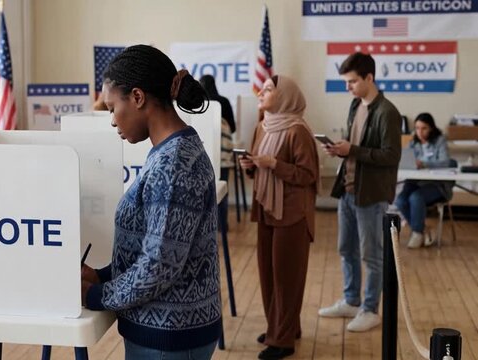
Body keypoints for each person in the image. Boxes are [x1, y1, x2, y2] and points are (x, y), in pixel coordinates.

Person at [80, 45, 221, 360]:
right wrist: (102, 275)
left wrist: (96, 295)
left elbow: (159, 266)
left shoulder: (173, 166)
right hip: (173, 331)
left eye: (113, 106)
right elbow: (164, 246)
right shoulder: (176, 149)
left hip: (168, 337)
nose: (112, 120)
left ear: (138, 98)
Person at [318, 52, 402, 332]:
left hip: (371, 195)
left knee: (372, 255)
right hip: (349, 190)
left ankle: (370, 309)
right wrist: (340, 149)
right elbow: (356, 147)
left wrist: (351, 150)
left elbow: (391, 156)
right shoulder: (356, 105)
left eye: (352, 81)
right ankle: (351, 300)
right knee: (346, 249)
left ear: (369, 77)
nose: (348, 87)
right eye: (346, 82)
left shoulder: (388, 112)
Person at [239, 75, 319, 360]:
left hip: (292, 212)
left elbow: (308, 175)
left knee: (287, 276)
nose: (261, 92)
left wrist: (275, 164)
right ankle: (283, 327)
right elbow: (259, 168)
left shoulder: (298, 131)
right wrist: (250, 166)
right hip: (266, 208)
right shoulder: (262, 127)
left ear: (286, 96)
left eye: (269, 89)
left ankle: (281, 340)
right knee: (268, 273)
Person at [395, 112, 452, 248]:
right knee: (400, 201)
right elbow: (405, 159)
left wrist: (424, 164)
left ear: (431, 128)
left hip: (436, 185)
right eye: (417, 128)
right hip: (415, 182)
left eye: (424, 128)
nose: (420, 132)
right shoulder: (413, 142)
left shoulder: (440, 140)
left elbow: (445, 162)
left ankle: (417, 234)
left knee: (415, 197)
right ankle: (422, 229)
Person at [199, 74, 235, 231]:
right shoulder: (224, 102)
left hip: (203, 154)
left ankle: (206, 228)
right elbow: (232, 127)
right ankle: (222, 225)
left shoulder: (198, 103)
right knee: (222, 189)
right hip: (223, 154)